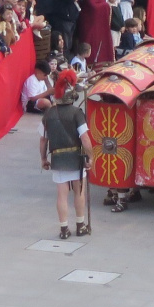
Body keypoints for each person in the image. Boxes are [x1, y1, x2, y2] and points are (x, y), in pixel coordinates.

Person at [38, 69, 94, 240]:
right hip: (76, 158)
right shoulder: (77, 113)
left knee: (61, 194)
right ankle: (80, 225)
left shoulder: (48, 114)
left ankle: (64, 229)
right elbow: (84, 138)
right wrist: (91, 156)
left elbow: (43, 140)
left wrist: (43, 158)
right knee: (79, 192)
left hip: (58, 157)